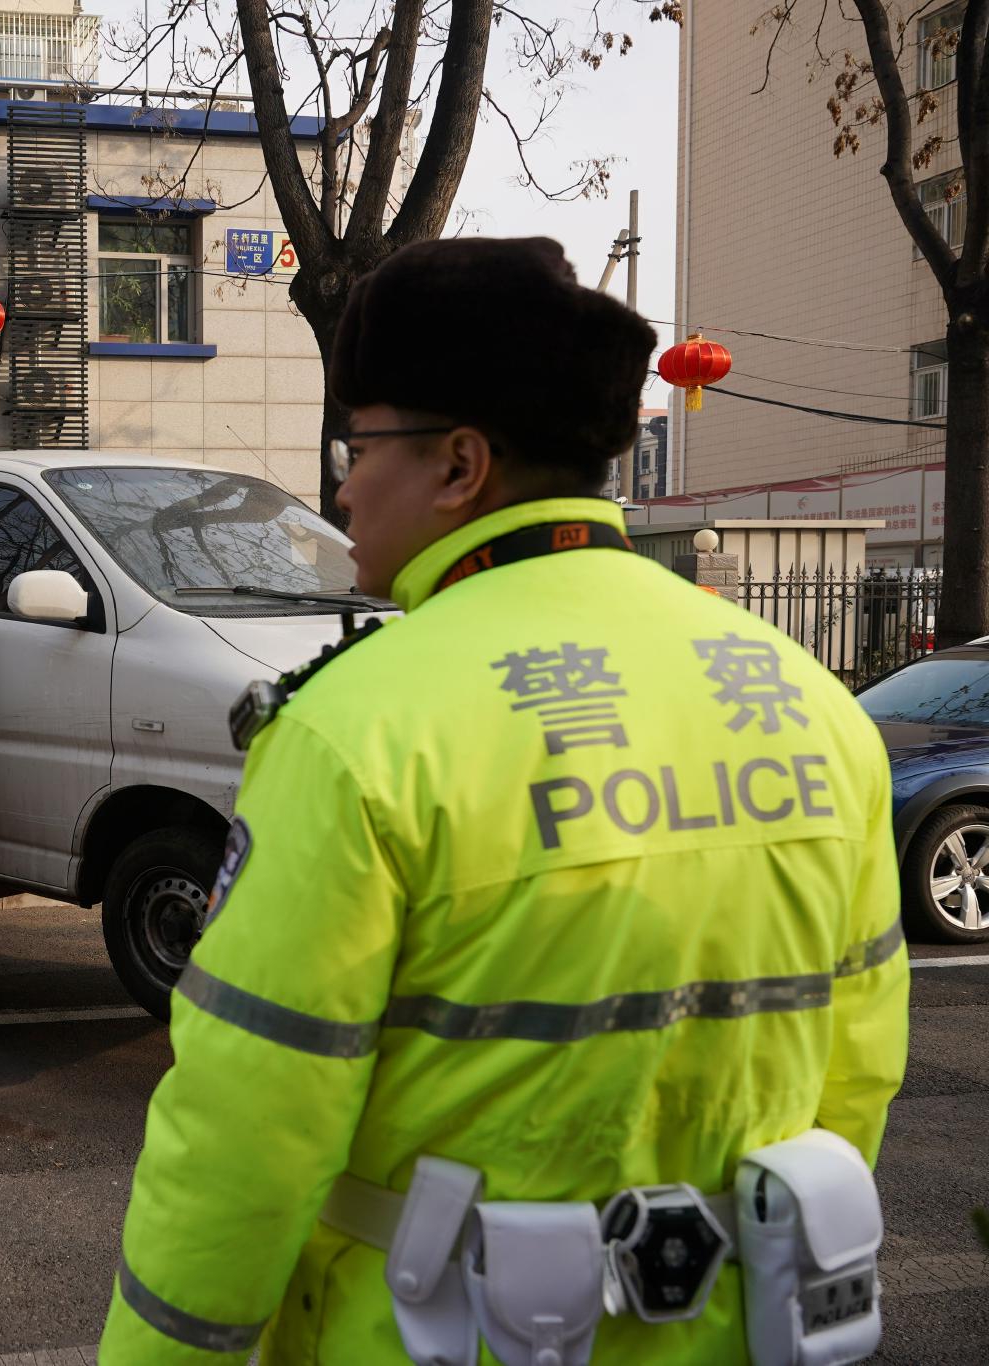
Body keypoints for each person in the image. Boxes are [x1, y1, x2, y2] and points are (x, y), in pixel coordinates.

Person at [100, 238, 908, 1364]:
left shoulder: (353, 731)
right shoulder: (811, 705)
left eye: (356, 443)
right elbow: (854, 1065)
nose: (339, 485)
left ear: (458, 466)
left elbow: (247, 1130)